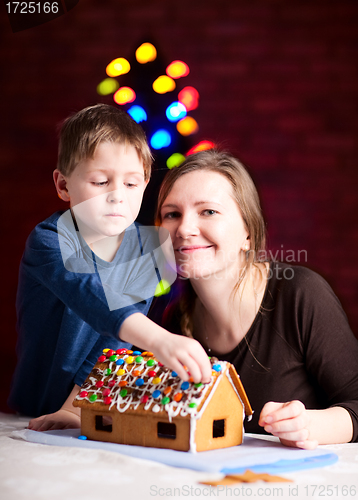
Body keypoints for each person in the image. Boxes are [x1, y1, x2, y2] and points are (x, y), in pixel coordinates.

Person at [9, 104, 212, 431]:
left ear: (145, 183)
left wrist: (76, 408)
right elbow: (93, 298)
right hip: (29, 408)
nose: (117, 196)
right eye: (101, 181)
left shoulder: (147, 252)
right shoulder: (48, 241)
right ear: (63, 186)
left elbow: (112, 343)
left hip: (89, 405)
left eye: (131, 184)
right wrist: (160, 341)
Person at [154, 149, 358, 449]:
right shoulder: (172, 321)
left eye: (208, 211)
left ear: (247, 232)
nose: (184, 229)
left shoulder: (300, 295)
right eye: (172, 214)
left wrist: (311, 425)